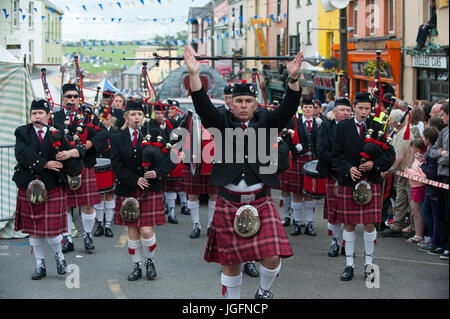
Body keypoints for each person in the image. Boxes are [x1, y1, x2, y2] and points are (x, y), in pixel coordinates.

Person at [184, 46, 303, 299]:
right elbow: (202, 104)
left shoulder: (268, 122)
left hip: (260, 200)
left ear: (255, 103)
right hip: (228, 201)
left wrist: (293, 79)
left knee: (272, 256)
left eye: (248, 101)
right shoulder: (220, 121)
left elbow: (289, 108)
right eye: (239, 101)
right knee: (231, 263)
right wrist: (194, 74)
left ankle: (263, 292)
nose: (244, 105)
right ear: (232, 103)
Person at [333, 91, 395, 281]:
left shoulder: (378, 127)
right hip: (349, 180)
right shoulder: (343, 127)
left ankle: (369, 265)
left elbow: (389, 155)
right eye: (360, 108)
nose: (363, 112)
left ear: (371, 109)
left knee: (369, 225)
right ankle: (349, 265)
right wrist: (348, 168)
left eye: (367, 108)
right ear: (353, 108)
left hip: (371, 180)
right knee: (349, 224)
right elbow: (336, 155)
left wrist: (374, 165)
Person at [110, 99, 172, 280]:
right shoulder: (116, 137)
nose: (136, 117)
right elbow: (116, 165)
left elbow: (168, 160)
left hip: (150, 189)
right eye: (132, 114)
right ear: (126, 116)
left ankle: (149, 261)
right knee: (132, 232)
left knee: (146, 231)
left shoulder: (154, 134)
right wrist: (134, 179)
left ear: (143, 116)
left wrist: (157, 172)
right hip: (127, 188)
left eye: (139, 114)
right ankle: (136, 266)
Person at [13, 99, 73, 279]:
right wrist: (44, 164)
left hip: (53, 185)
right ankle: (40, 265)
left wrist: (69, 153)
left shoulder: (58, 133)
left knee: (53, 231)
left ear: (48, 115)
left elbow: (69, 156)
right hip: (29, 185)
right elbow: (22, 154)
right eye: (34, 113)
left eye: (40, 113)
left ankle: (60, 258)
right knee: (34, 230)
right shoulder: (23, 132)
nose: (37, 116)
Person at [53, 83, 108, 253]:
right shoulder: (55, 118)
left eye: (75, 97)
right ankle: (68, 239)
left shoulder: (88, 115)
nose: (72, 100)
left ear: (79, 98)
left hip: (85, 163)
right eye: (68, 97)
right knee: (66, 206)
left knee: (88, 204)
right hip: (63, 165)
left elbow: (103, 133)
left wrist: (87, 145)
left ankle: (87, 236)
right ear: (63, 99)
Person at [317, 97, 352, 257]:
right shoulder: (327, 125)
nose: (345, 113)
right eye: (342, 110)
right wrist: (338, 163)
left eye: (347, 110)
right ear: (335, 111)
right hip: (333, 172)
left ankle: (346, 243)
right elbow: (322, 149)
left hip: (350, 174)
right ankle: (335, 243)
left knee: (348, 213)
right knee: (333, 212)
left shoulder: (354, 127)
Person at [280, 97, 319, 236]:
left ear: (314, 109)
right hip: (298, 160)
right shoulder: (293, 122)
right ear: (302, 109)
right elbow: (283, 139)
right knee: (297, 193)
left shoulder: (319, 123)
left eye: (311, 107)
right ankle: (297, 223)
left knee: (310, 194)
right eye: (306, 107)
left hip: (312, 161)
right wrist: (292, 139)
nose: (308, 110)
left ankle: (308, 223)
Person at [381, 108, 415, 238]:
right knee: (401, 200)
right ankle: (396, 226)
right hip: (401, 172)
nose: (389, 125)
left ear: (396, 123)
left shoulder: (404, 134)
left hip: (407, 172)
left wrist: (387, 170)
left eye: (391, 122)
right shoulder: (400, 133)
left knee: (411, 202)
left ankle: (414, 229)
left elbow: (397, 156)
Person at [93, 107, 119, 238]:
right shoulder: (96, 131)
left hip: (111, 166)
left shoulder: (116, 133)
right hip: (97, 166)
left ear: (112, 120)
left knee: (109, 195)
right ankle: (100, 224)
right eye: (102, 119)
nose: (104, 122)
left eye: (107, 119)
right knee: (98, 196)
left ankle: (108, 225)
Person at [429, 101, 449, 260]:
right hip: (441, 176)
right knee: (441, 212)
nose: (442, 118)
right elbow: (433, 152)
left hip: (446, 176)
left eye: (443, 115)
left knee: (447, 212)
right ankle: (442, 243)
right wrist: (441, 154)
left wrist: (442, 156)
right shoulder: (444, 132)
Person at [417, 127, 440, 252]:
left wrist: (422, 165)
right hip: (431, 188)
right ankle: (434, 238)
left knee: (429, 212)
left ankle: (434, 239)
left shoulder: (432, 150)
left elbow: (430, 171)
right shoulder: (431, 150)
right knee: (430, 212)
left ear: (428, 139)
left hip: (433, 188)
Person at [405, 139, 427, 243]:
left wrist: (409, 171)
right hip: (414, 186)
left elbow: (422, 176)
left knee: (417, 212)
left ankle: (419, 234)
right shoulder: (417, 159)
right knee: (415, 211)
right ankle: (417, 233)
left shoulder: (421, 160)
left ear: (418, 149)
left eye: (413, 148)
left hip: (419, 187)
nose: (411, 150)